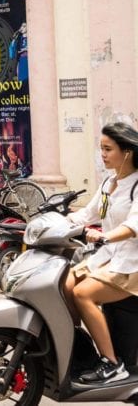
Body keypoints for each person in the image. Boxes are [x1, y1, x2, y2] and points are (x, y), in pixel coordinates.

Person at [63, 122, 138, 384]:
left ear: (126, 152)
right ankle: (77, 349)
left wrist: (105, 235)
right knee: (64, 284)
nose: (103, 154)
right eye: (101, 149)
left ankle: (112, 363)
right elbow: (89, 214)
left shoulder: (136, 185)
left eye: (108, 149)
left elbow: (133, 225)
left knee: (83, 294)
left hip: (131, 265)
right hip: (107, 258)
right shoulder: (109, 183)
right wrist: (56, 220)